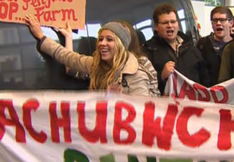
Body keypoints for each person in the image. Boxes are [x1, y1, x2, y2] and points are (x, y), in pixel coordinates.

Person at [25, 15, 153, 96]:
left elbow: (141, 115)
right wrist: (41, 36)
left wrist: (115, 100)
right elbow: (67, 57)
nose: (102, 43)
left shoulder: (136, 74)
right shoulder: (96, 64)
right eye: (100, 39)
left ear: (121, 45)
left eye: (109, 39)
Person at [143, 3, 211, 94]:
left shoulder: (191, 47)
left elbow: (205, 79)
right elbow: (145, 87)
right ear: (156, 26)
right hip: (167, 106)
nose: (170, 25)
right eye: (165, 22)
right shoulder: (148, 51)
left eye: (173, 21)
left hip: (194, 104)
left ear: (178, 24)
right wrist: (161, 76)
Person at [197, 6, 233, 86]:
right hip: (205, 94)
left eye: (222, 20)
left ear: (231, 23)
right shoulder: (202, 44)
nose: (218, 23)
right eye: (215, 20)